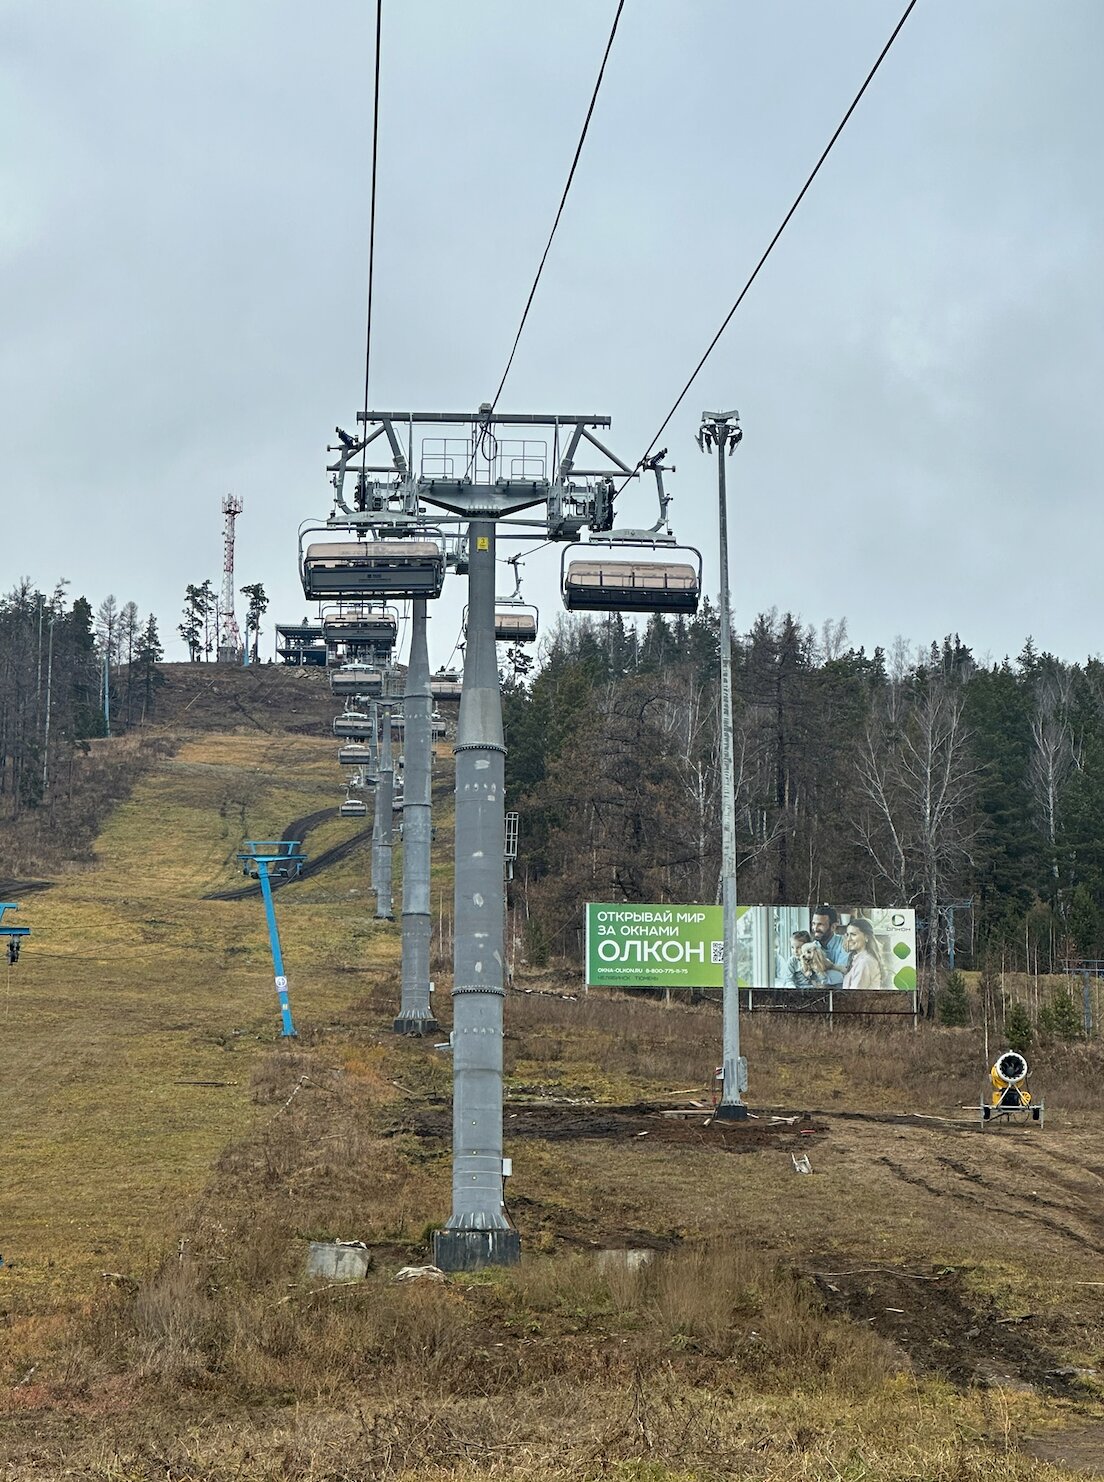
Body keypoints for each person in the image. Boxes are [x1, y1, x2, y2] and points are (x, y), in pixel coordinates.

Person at [841, 916, 886, 990]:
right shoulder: (859, 958)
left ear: (866, 937)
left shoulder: (865, 962)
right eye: (848, 935)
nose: (848, 939)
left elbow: (854, 994)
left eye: (853, 934)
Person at [809, 906, 849, 988]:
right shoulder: (811, 947)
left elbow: (843, 974)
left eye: (820, 924)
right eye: (813, 924)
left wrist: (816, 977)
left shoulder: (845, 943)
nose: (815, 928)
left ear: (833, 927)